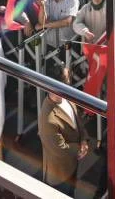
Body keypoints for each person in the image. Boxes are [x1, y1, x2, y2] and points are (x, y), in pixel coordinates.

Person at [42, 59, 87, 194]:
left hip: (71, 164)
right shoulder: (48, 118)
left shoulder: (65, 98)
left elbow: (77, 120)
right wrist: (80, 147)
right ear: (56, 86)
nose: (70, 83)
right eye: (67, 80)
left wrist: (84, 139)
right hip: (59, 176)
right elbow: (60, 149)